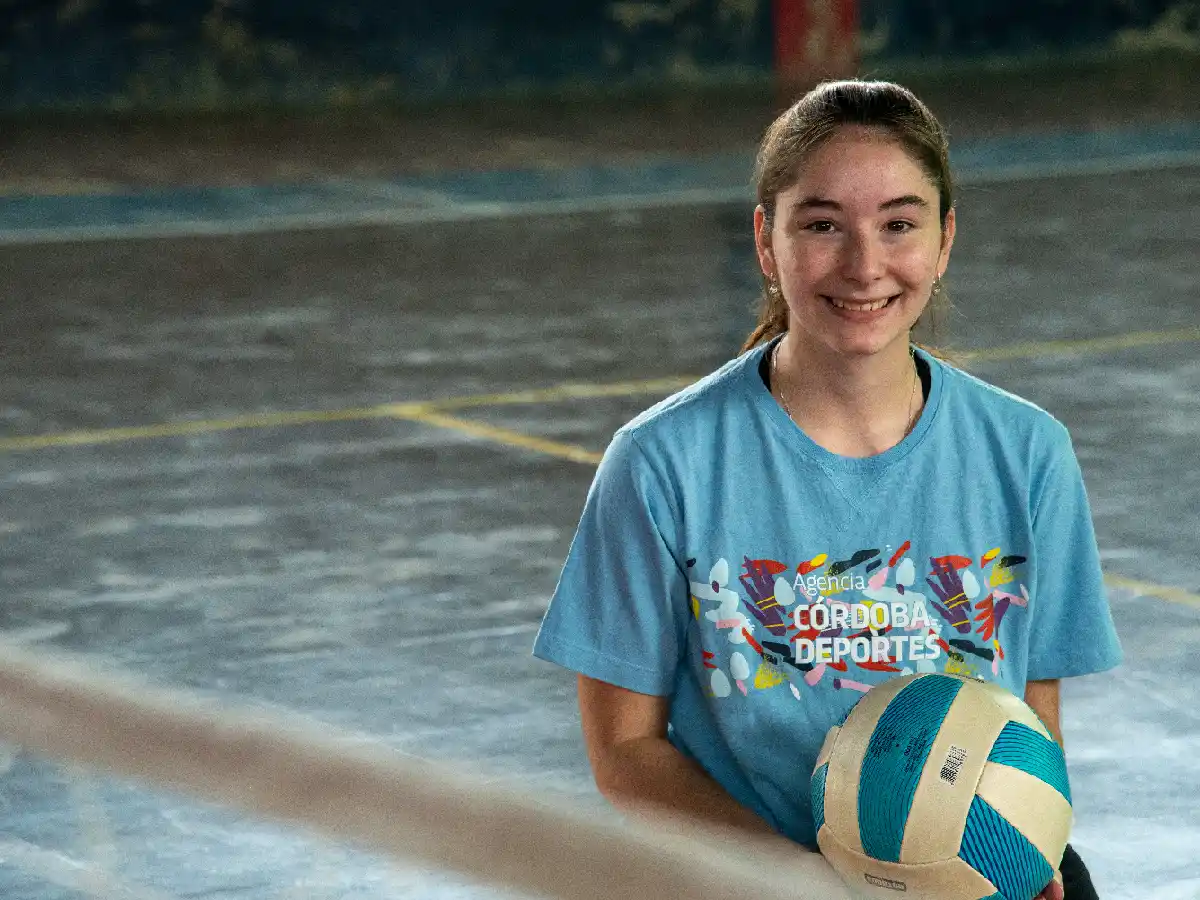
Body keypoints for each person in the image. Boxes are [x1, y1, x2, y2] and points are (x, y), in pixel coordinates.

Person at [532, 79, 1121, 900]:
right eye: (821, 225)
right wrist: (803, 883)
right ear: (765, 242)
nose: (864, 265)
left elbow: (1029, 720)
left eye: (899, 224)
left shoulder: (1028, 453)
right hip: (753, 880)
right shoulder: (662, 463)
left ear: (945, 239)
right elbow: (626, 754)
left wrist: (1020, 856)